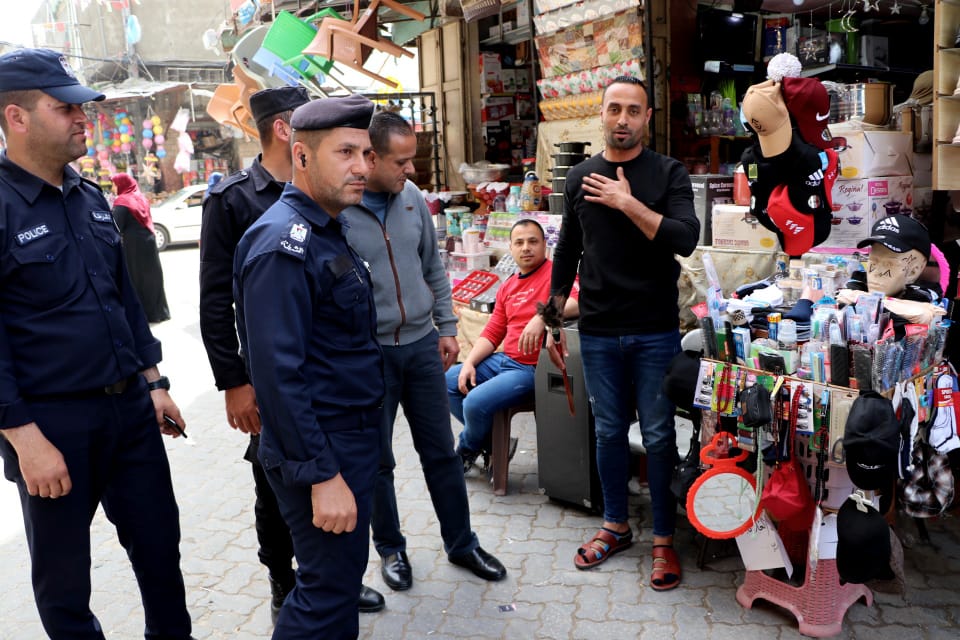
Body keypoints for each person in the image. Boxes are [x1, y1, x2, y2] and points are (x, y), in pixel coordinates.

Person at [0, 47, 192, 638]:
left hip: (129, 412)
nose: (85, 119)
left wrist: (152, 382)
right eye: (66, 109)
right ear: (17, 118)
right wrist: (24, 438)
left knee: (161, 553)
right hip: (51, 424)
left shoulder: (88, 196)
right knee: (64, 585)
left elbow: (124, 301)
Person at [200, 86, 384, 621]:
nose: (362, 167)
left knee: (337, 588)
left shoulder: (327, 228)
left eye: (365, 154)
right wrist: (322, 476)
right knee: (325, 597)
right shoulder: (283, 242)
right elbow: (278, 377)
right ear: (301, 155)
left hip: (346, 436)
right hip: (322, 446)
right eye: (345, 153)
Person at [342, 110, 506, 593]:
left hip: (420, 348)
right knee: (376, 462)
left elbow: (433, 267)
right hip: (370, 357)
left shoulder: (411, 199)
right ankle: (391, 550)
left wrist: (448, 326)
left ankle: (462, 543)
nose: (411, 171)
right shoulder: (341, 209)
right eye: (401, 161)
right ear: (369, 159)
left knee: (440, 451)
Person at [546, 76, 700, 591]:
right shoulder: (580, 176)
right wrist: (551, 312)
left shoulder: (668, 173)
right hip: (597, 329)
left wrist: (627, 202)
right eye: (615, 109)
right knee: (608, 432)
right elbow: (568, 248)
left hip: (654, 330)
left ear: (647, 117)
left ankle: (662, 538)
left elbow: (684, 238)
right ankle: (615, 526)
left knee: (657, 436)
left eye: (633, 110)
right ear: (602, 113)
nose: (623, 119)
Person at [447, 219, 579, 470]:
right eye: (519, 242)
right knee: (449, 382)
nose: (526, 248)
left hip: (531, 369)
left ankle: (466, 448)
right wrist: (470, 363)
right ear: (510, 248)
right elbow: (493, 332)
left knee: (474, 402)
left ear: (545, 245)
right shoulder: (507, 285)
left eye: (533, 241)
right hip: (503, 361)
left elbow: (580, 300)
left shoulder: (556, 273)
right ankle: (491, 444)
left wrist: (543, 315)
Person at [111, 172, 171, 323]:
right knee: (153, 276)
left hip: (134, 245)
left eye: (114, 184)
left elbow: (116, 226)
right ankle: (159, 312)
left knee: (136, 278)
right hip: (149, 241)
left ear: (121, 184)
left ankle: (143, 314)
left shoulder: (122, 201)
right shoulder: (140, 197)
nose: (112, 187)